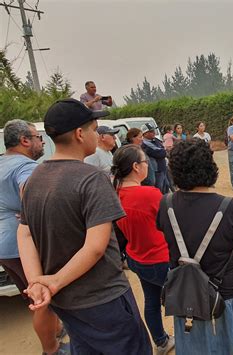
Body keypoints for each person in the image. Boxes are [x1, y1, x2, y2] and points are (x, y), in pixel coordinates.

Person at [18, 98, 152, 354]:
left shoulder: (35, 178)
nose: (97, 134)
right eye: (94, 128)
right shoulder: (92, 180)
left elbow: (24, 233)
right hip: (103, 297)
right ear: (80, 134)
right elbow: (95, 248)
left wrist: (37, 282)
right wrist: (53, 282)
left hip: (66, 302)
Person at [156, 140, 233, 354]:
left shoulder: (166, 204)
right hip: (226, 294)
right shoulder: (231, 207)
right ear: (210, 166)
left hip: (187, 295)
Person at [0, 119, 68, 355]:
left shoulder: (2, 162)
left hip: (5, 247)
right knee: (43, 302)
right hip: (22, 245)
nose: (41, 141)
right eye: (37, 137)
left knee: (33, 299)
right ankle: (52, 350)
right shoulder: (24, 167)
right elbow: (33, 197)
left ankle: (56, 332)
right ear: (24, 141)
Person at [112, 145, 175, 354]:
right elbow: (171, 224)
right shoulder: (149, 194)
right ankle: (191, 342)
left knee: (152, 301)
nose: (147, 165)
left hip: (136, 257)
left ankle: (161, 341)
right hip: (159, 257)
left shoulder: (115, 193)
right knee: (183, 301)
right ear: (136, 167)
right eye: (145, 161)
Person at [141, 123, 169, 193]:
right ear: (145, 133)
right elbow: (160, 153)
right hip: (156, 170)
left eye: (153, 130)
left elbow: (162, 149)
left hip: (162, 167)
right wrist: (163, 151)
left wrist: (163, 151)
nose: (154, 132)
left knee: (166, 186)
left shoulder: (155, 140)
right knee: (159, 189)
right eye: (151, 131)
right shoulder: (145, 144)